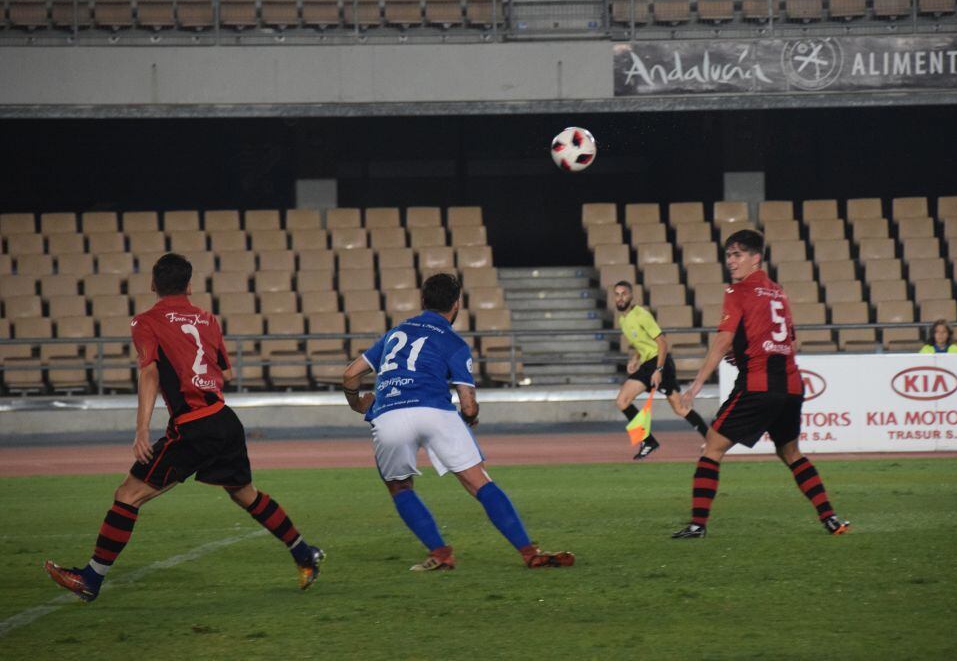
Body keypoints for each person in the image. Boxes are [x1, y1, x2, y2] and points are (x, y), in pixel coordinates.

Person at [45, 253, 324, 602]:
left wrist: (141, 430)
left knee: (128, 495)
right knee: (244, 494)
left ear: (152, 284)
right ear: (190, 285)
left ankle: (91, 578)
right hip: (224, 420)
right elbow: (226, 374)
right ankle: (304, 553)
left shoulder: (145, 322)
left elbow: (149, 372)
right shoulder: (208, 320)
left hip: (193, 425)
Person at [342, 273, 573, 571]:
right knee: (479, 482)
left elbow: (350, 375)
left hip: (390, 414)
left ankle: (440, 554)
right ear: (457, 304)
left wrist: (357, 404)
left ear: (422, 301)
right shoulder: (453, 342)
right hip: (436, 411)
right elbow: (468, 402)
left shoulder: (394, 334)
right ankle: (529, 552)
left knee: (399, 487)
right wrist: (469, 419)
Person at [672, 230, 850, 539]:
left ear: (756, 258)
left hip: (758, 386)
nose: (731, 261)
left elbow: (723, 340)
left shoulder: (737, 291)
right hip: (792, 387)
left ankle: (697, 525)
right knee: (791, 453)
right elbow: (789, 342)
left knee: (711, 448)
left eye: (738, 254)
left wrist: (697, 382)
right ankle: (831, 519)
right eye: (728, 255)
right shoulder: (778, 292)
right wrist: (744, 354)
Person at [612, 281, 710, 460]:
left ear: (631, 295)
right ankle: (647, 440)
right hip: (647, 363)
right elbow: (639, 343)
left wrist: (658, 369)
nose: (620, 298)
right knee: (622, 401)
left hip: (659, 362)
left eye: (623, 293)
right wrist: (635, 359)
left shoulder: (641, 315)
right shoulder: (622, 319)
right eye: (617, 294)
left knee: (679, 408)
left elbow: (662, 342)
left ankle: (711, 440)